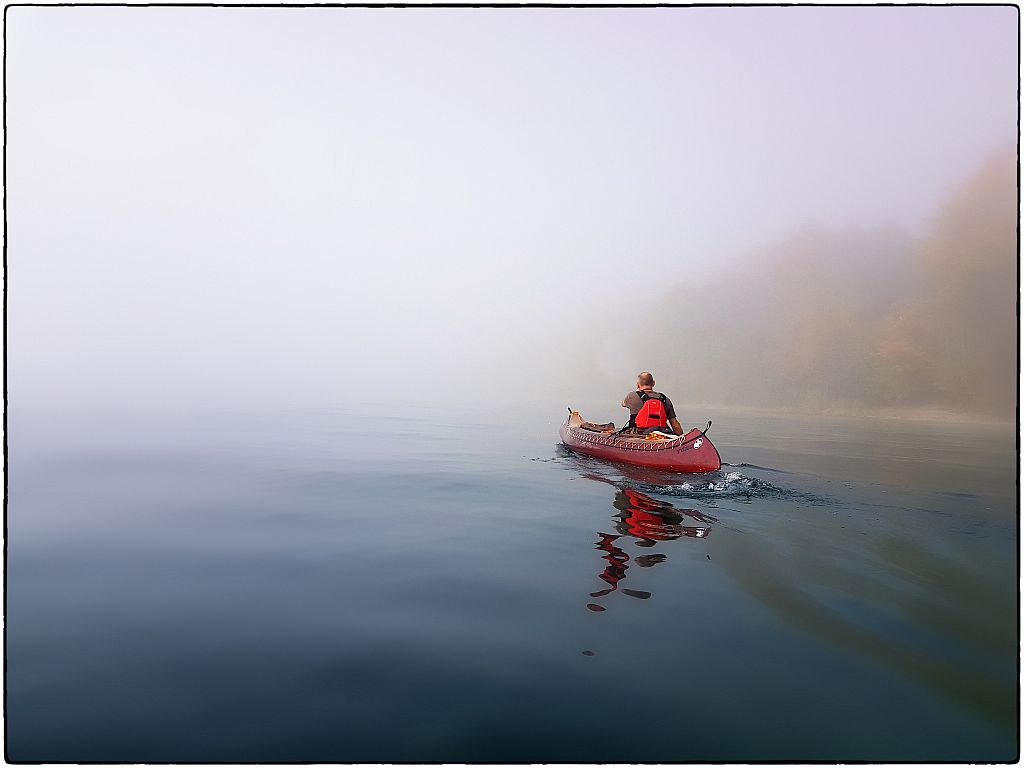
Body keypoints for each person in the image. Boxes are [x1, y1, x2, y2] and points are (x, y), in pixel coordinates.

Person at [620, 371, 684, 435]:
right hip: (660, 434)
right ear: (653, 383)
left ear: (638, 385)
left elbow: (623, 404)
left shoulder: (632, 395)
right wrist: (681, 438)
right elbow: (675, 425)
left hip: (638, 434)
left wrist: (637, 390)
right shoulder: (665, 399)